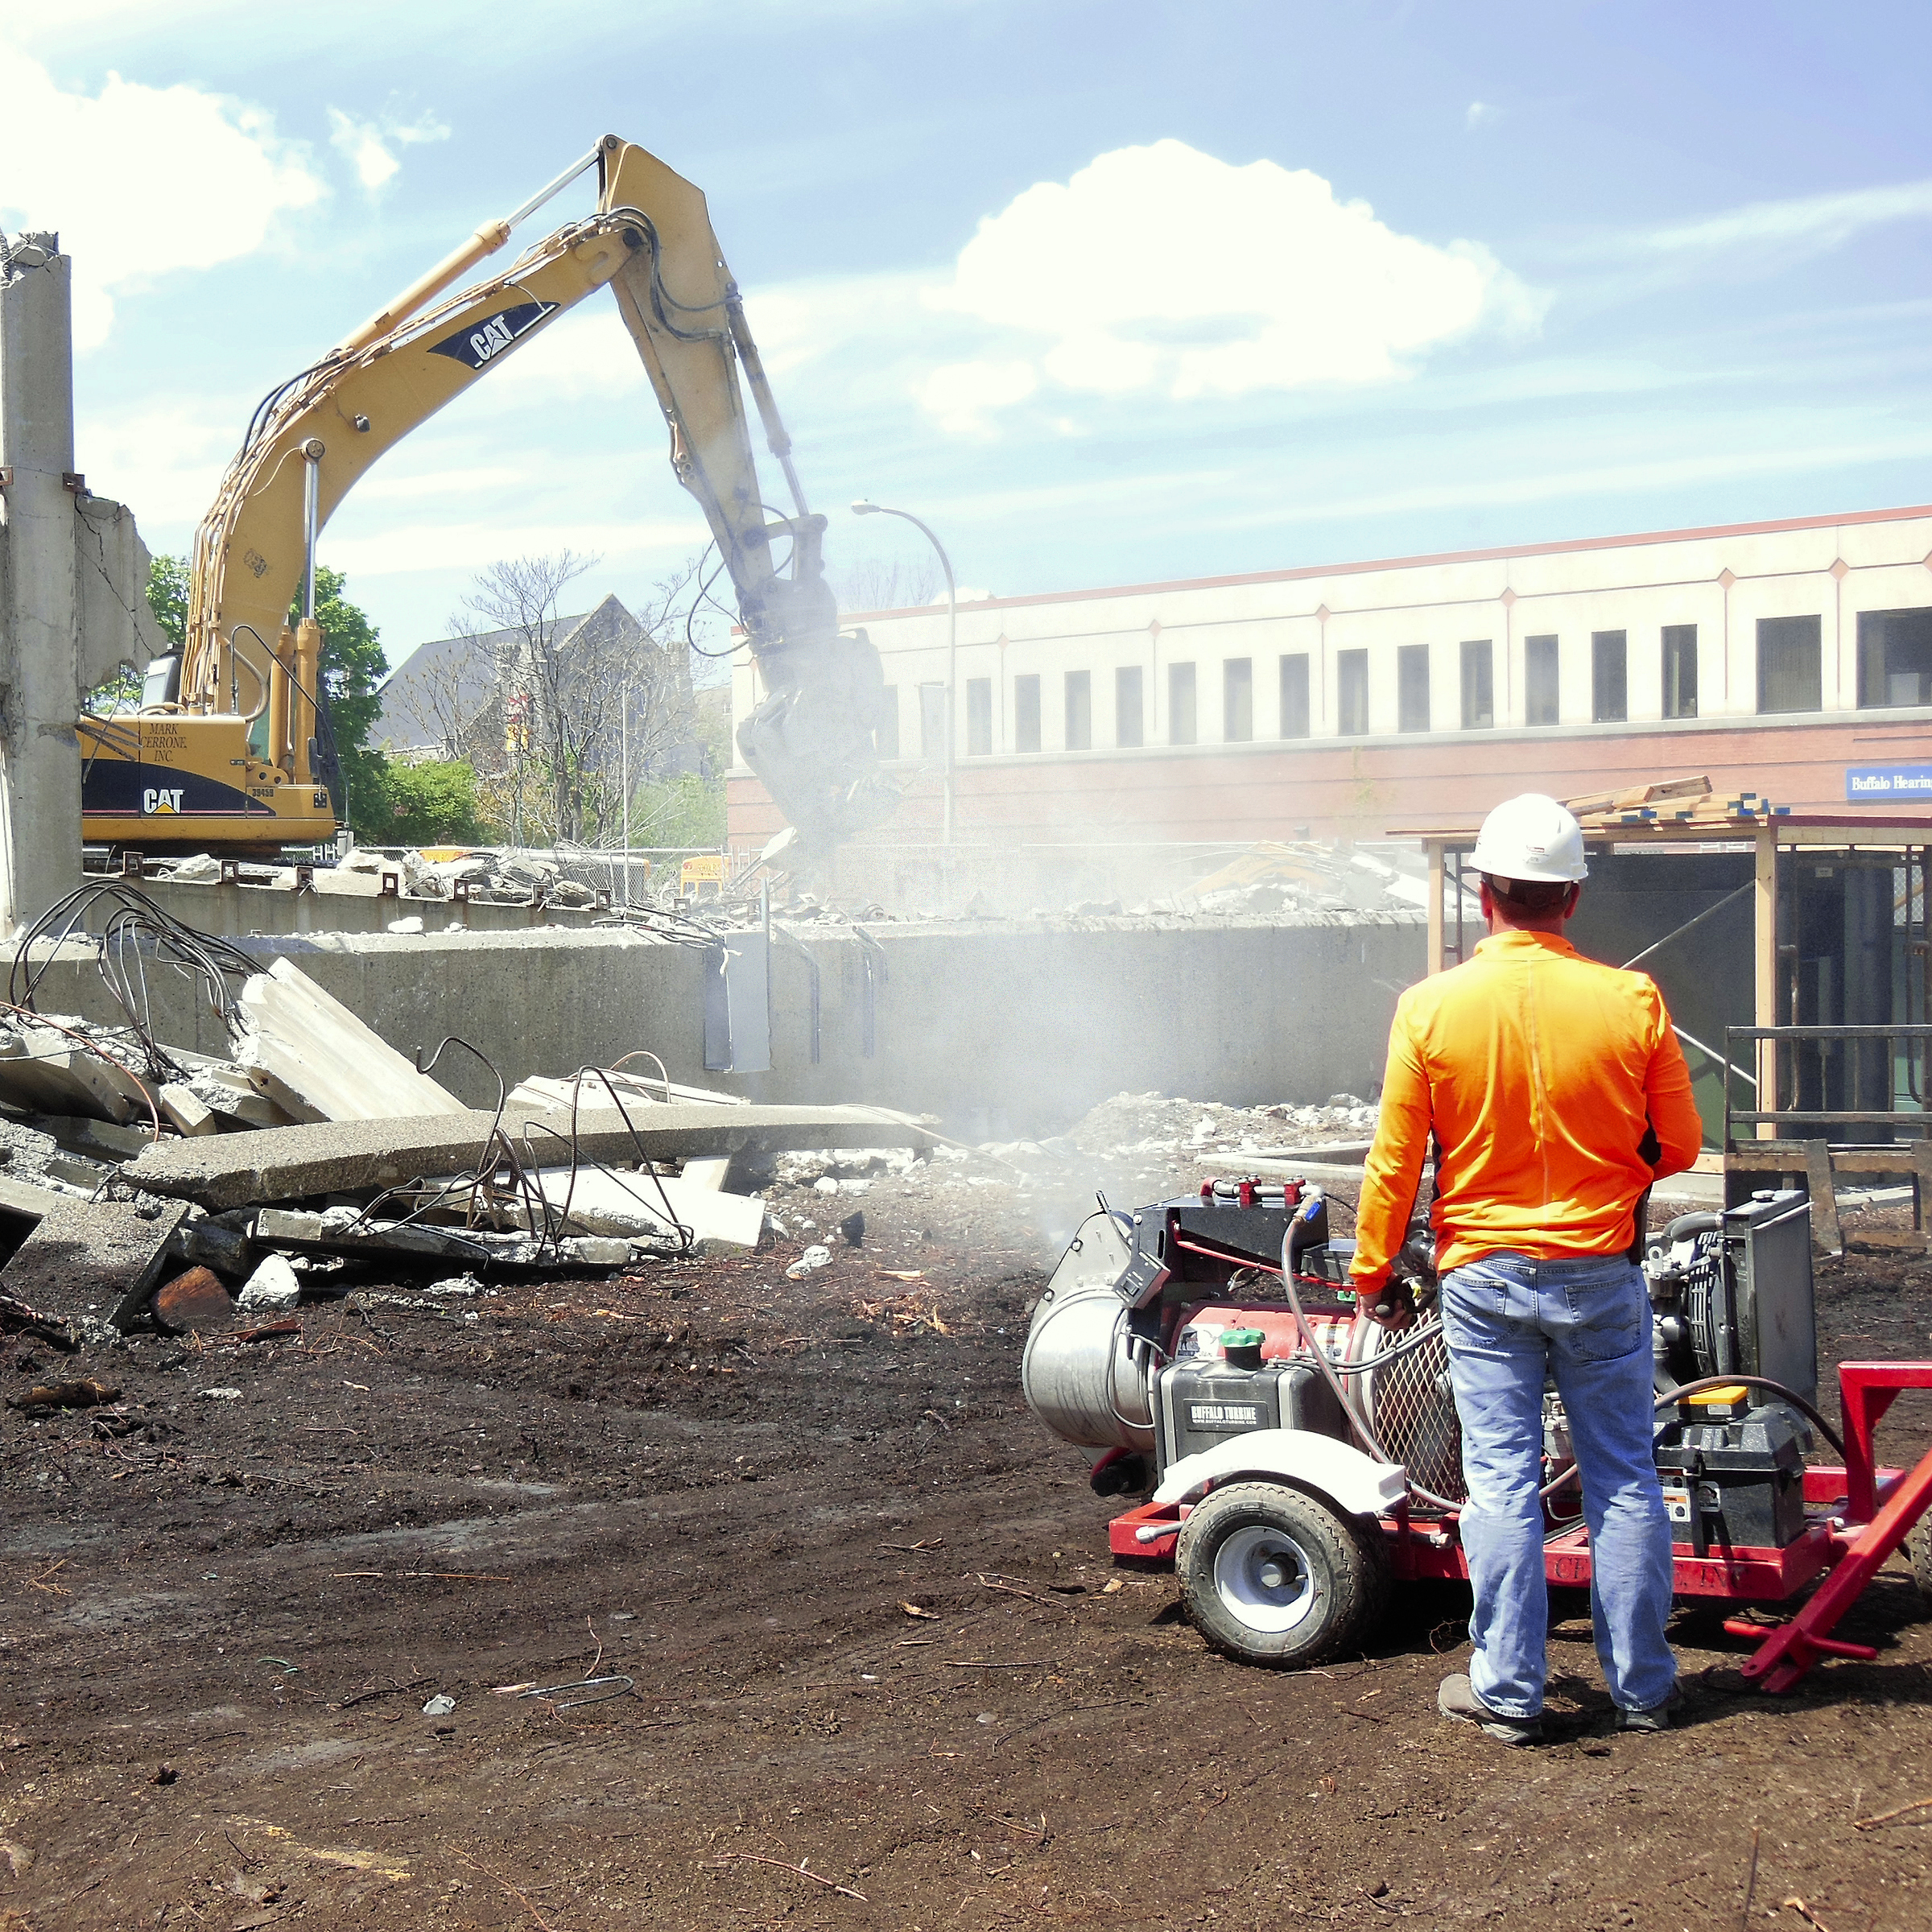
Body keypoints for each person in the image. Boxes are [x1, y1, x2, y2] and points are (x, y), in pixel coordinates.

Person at [1350, 793, 1703, 1744]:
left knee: (1500, 1481)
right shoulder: (1631, 1001)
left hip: (1484, 1276)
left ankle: (1508, 1692)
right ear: (1572, 899)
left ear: (1483, 893)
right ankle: (1643, 1692)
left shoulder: (1429, 1010)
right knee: (1624, 1477)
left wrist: (1372, 1274)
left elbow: (1395, 1163)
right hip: (1599, 1270)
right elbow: (1681, 1147)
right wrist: (1612, 1163)